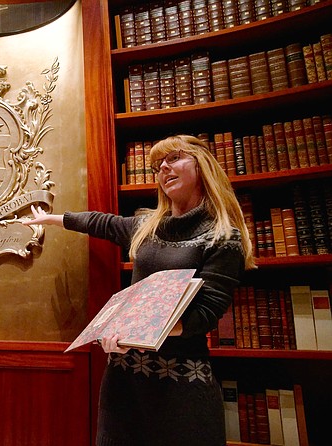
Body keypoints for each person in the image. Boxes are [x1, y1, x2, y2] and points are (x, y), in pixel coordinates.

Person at [25, 134, 255, 446]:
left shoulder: (223, 237)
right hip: (122, 381)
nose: (163, 167)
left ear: (202, 166)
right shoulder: (147, 225)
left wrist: (136, 331)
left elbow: (206, 314)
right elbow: (100, 222)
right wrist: (51, 219)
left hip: (180, 386)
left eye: (173, 158)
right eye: (157, 165)